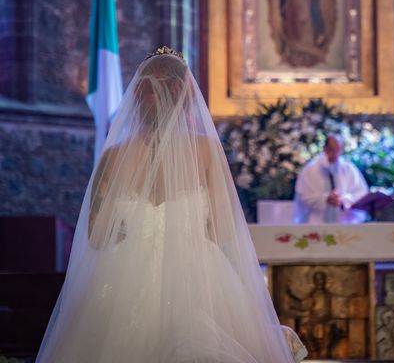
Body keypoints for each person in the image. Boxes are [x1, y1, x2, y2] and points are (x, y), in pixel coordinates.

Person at [37, 48, 305, 363]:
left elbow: (96, 238)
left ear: (136, 100)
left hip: (125, 278)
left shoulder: (113, 158)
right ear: (186, 99)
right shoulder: (206, 151)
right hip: (202, 278)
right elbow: (221, 231)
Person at [294, 135, 369, 224]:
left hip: (344, 222)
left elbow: (361, 193)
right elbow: (304, 195)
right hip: (317, 222)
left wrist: (343, 200)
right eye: (331, 149)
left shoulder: (348, 169)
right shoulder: (310, 170)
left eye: (338, 150)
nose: (334, 154)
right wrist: (325, 199)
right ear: (325, 149)